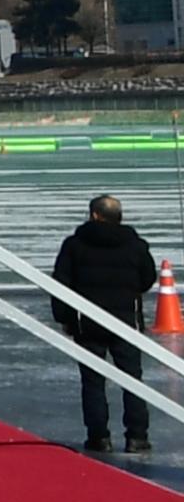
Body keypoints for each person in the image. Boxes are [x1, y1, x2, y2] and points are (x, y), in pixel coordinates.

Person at [50, 194, 161, 454]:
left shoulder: (74, 245)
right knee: (133, 379)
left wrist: (64, 318)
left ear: (94, 215)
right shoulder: (135, 245)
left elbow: (60, 284)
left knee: (92, 382)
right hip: (126, 322)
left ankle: (99, 437)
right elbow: (147, 278)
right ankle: (137, 436)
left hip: (87, 323)